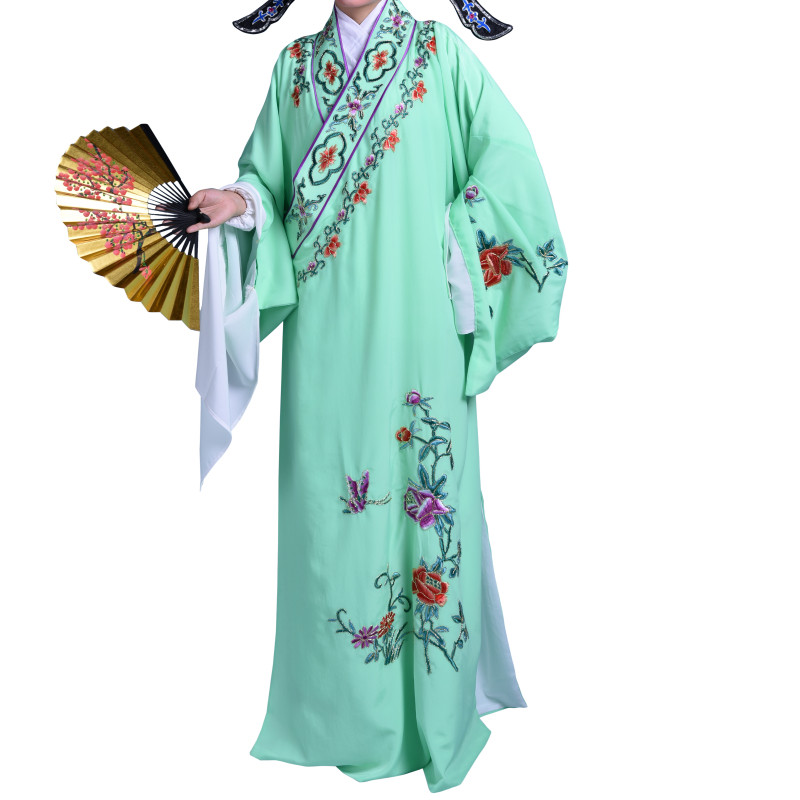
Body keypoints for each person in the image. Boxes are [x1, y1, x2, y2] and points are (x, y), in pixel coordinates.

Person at [190, 0, 568, 792]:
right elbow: (267, 183)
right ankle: (340, 716)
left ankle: (434, 716)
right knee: (329, 522)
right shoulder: (295, 72)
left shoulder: (440, 55)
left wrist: (455, 243)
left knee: (423, 512)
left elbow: (509, 166)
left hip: (420, 332)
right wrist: (241, 204)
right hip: (325, 343)